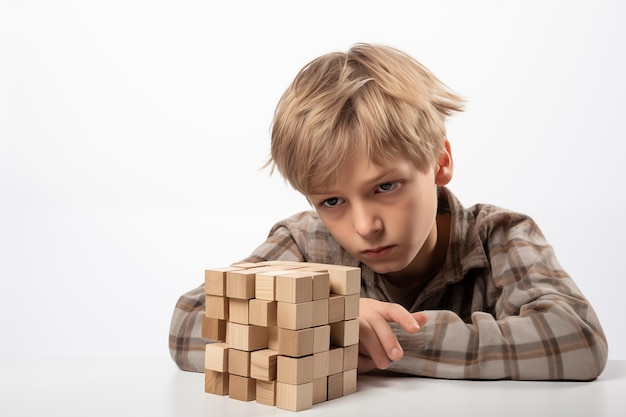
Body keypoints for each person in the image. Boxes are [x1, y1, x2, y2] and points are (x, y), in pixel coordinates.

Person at [169, 43, 607, 380]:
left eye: (385, 186)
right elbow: (188, 324)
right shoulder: (306, 240)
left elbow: (578, 339)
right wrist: (330, 319)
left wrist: (367, 341)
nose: (364, 227)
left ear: (439, 162)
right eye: (332, 201)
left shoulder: (500, 236)